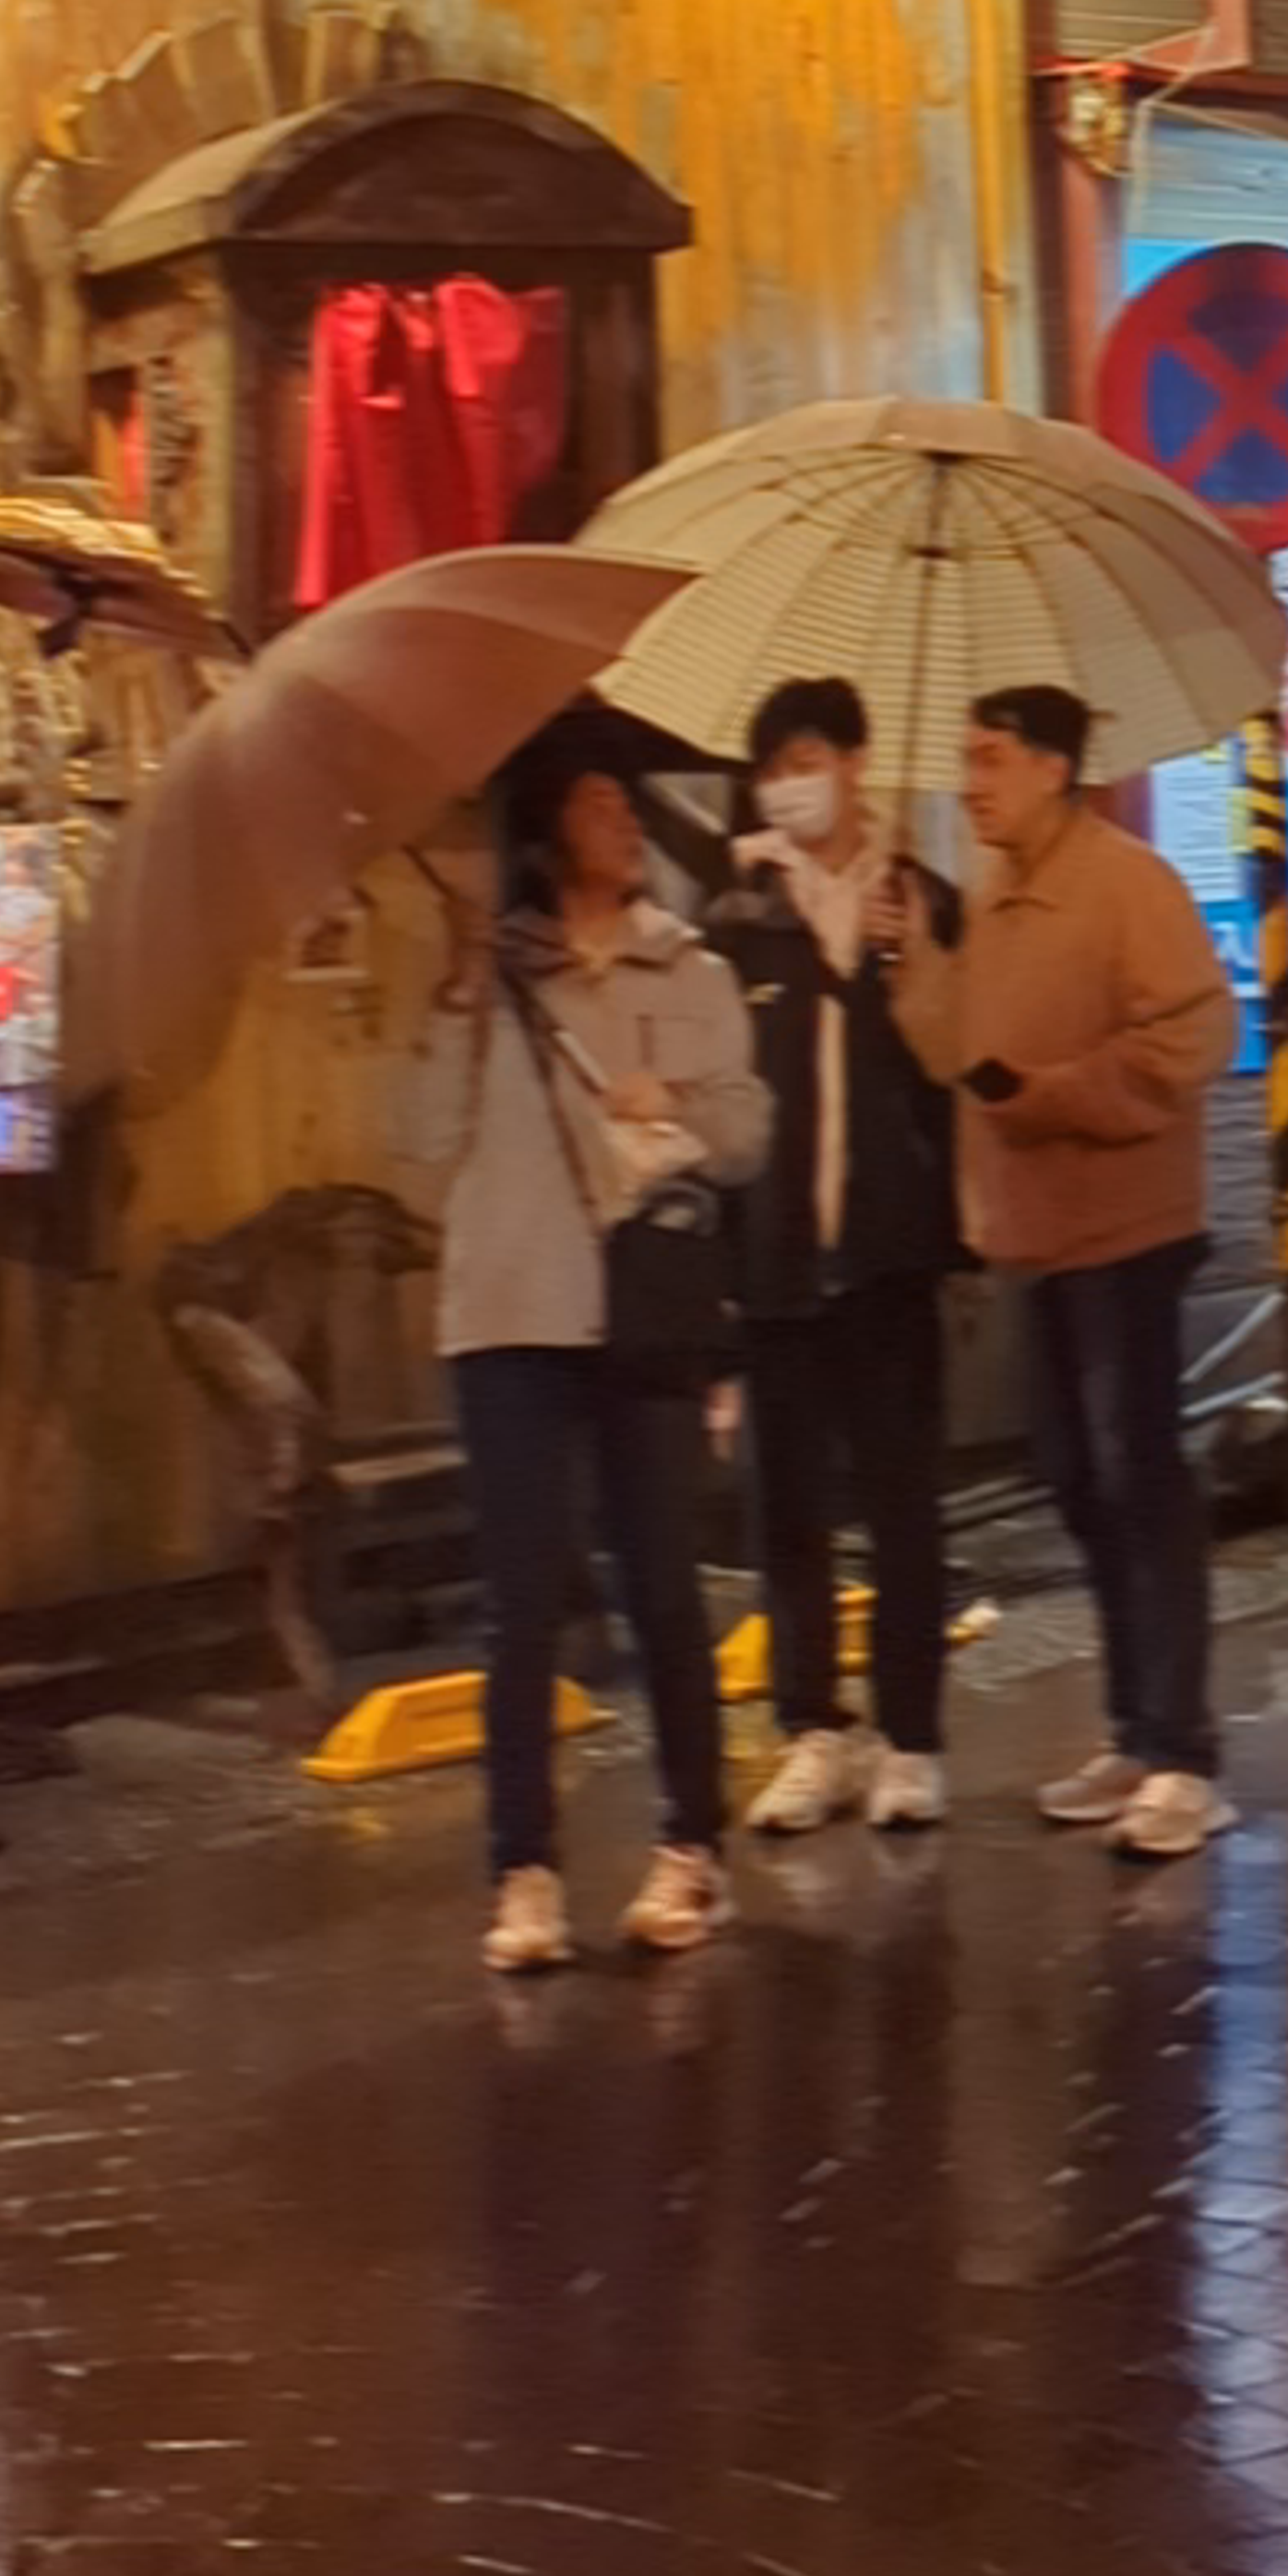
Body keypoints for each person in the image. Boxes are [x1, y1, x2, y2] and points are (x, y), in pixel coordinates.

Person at [420, 710, 768, 1976]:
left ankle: (693, 1845)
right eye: (597, 801)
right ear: (544, 827)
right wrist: (448, 994)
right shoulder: (480, 981)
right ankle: (524, 1867)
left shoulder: (693, 967)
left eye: (630, 801)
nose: (624, 817)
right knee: (520, 1608)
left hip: (647, 1309)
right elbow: (409, 1142)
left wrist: (665, 1098)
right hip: (506, 1310)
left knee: (664, 1587)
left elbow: (747, 1135)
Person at [892, 683, 1240, 1861]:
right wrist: (919, 958)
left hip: (1129, 1230)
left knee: (1138, 1475)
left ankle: (1187, 1752)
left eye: (988, 757)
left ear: (1053, 765)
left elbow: (1196, 1037)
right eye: (965, 757)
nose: (971, 780)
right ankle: (1136, 1730)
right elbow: (960, 1055)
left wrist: (1056, 1098)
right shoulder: (994, 897)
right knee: (1078, 1482)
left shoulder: (1127, 881)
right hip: (1038, 1240)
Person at [706, 674, 959, 1843]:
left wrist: (918, 967)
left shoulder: (928, 901)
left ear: (856, 759)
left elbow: (958, 1065)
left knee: (906, 1503)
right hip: (774, 1261)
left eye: (807, 755)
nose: (789, 783)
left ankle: (911, 1736)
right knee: (788, 1506)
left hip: (893, 1255)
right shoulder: (735, 920)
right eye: (771, 767)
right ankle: (814, 1728)